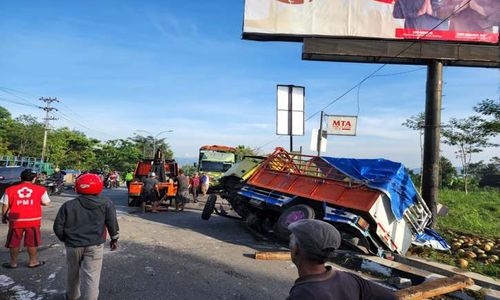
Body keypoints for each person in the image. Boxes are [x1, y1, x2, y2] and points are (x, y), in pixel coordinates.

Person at [287, 219, 396, 300]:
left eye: (291, 243)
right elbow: (390, 297)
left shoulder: (303, 294)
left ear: (296, 249)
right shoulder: (350, 279)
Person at [53, 173, 119, 300]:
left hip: (73, 245)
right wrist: (114, 239)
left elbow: (58, 227)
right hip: (95, 245)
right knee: (92, 276)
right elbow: (112, 224)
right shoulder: (107, 203)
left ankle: (72, 296)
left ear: (77, 187)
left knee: (72, 273)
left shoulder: (68, 205)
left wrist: (65, 239)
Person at [1, 169, 50, 269]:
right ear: (34, 179)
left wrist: (3, 216)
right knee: (32, 241)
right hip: (33, 220)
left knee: (14, 241)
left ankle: (13, 263)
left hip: (16, 220)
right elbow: (46, 202)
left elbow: (5, 205)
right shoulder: (40, 189)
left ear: (21, 178)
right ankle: (33, 262)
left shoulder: (10, 189)